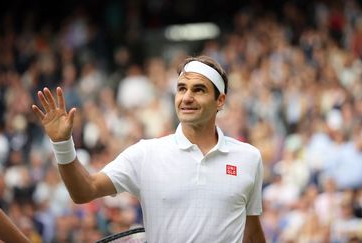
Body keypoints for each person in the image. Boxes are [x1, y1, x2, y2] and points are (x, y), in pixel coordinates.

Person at [31, 56, 266, 243]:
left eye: (199, 90)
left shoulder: (249, 158)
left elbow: (252, 232)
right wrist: (62, 144)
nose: (187, 97)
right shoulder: (145, 154)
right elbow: (84, 191)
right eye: (182, 88)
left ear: (220, 100)